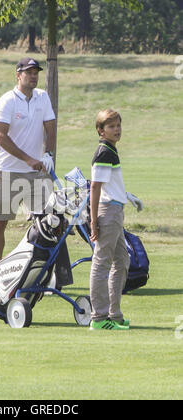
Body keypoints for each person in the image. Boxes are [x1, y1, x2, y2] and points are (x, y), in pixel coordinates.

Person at [0, 58, 56, 267]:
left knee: (47, 222)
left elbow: (51, 128)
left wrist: (49, 155)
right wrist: (29, 159)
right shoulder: (7, 101)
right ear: (18, 75)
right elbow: (0, 136)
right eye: (29, 72)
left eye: (36, 72)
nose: (33, 76)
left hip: (36, 173)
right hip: (7, 171)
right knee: (0, 222)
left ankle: (44, 273)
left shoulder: (42, 98)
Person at [89, 109, 143, 330]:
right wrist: (94, 222)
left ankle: (114, 314)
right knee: (101, 264)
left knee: (122, 261)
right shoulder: (104, 152)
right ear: (101, 131)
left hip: (116, 210)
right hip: (108, 213)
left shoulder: (111, 150)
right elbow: (95, 187)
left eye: (118, 125)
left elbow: (110, 185)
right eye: (111, 126)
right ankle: (99, 319)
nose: (117, 130)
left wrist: (126, 196)